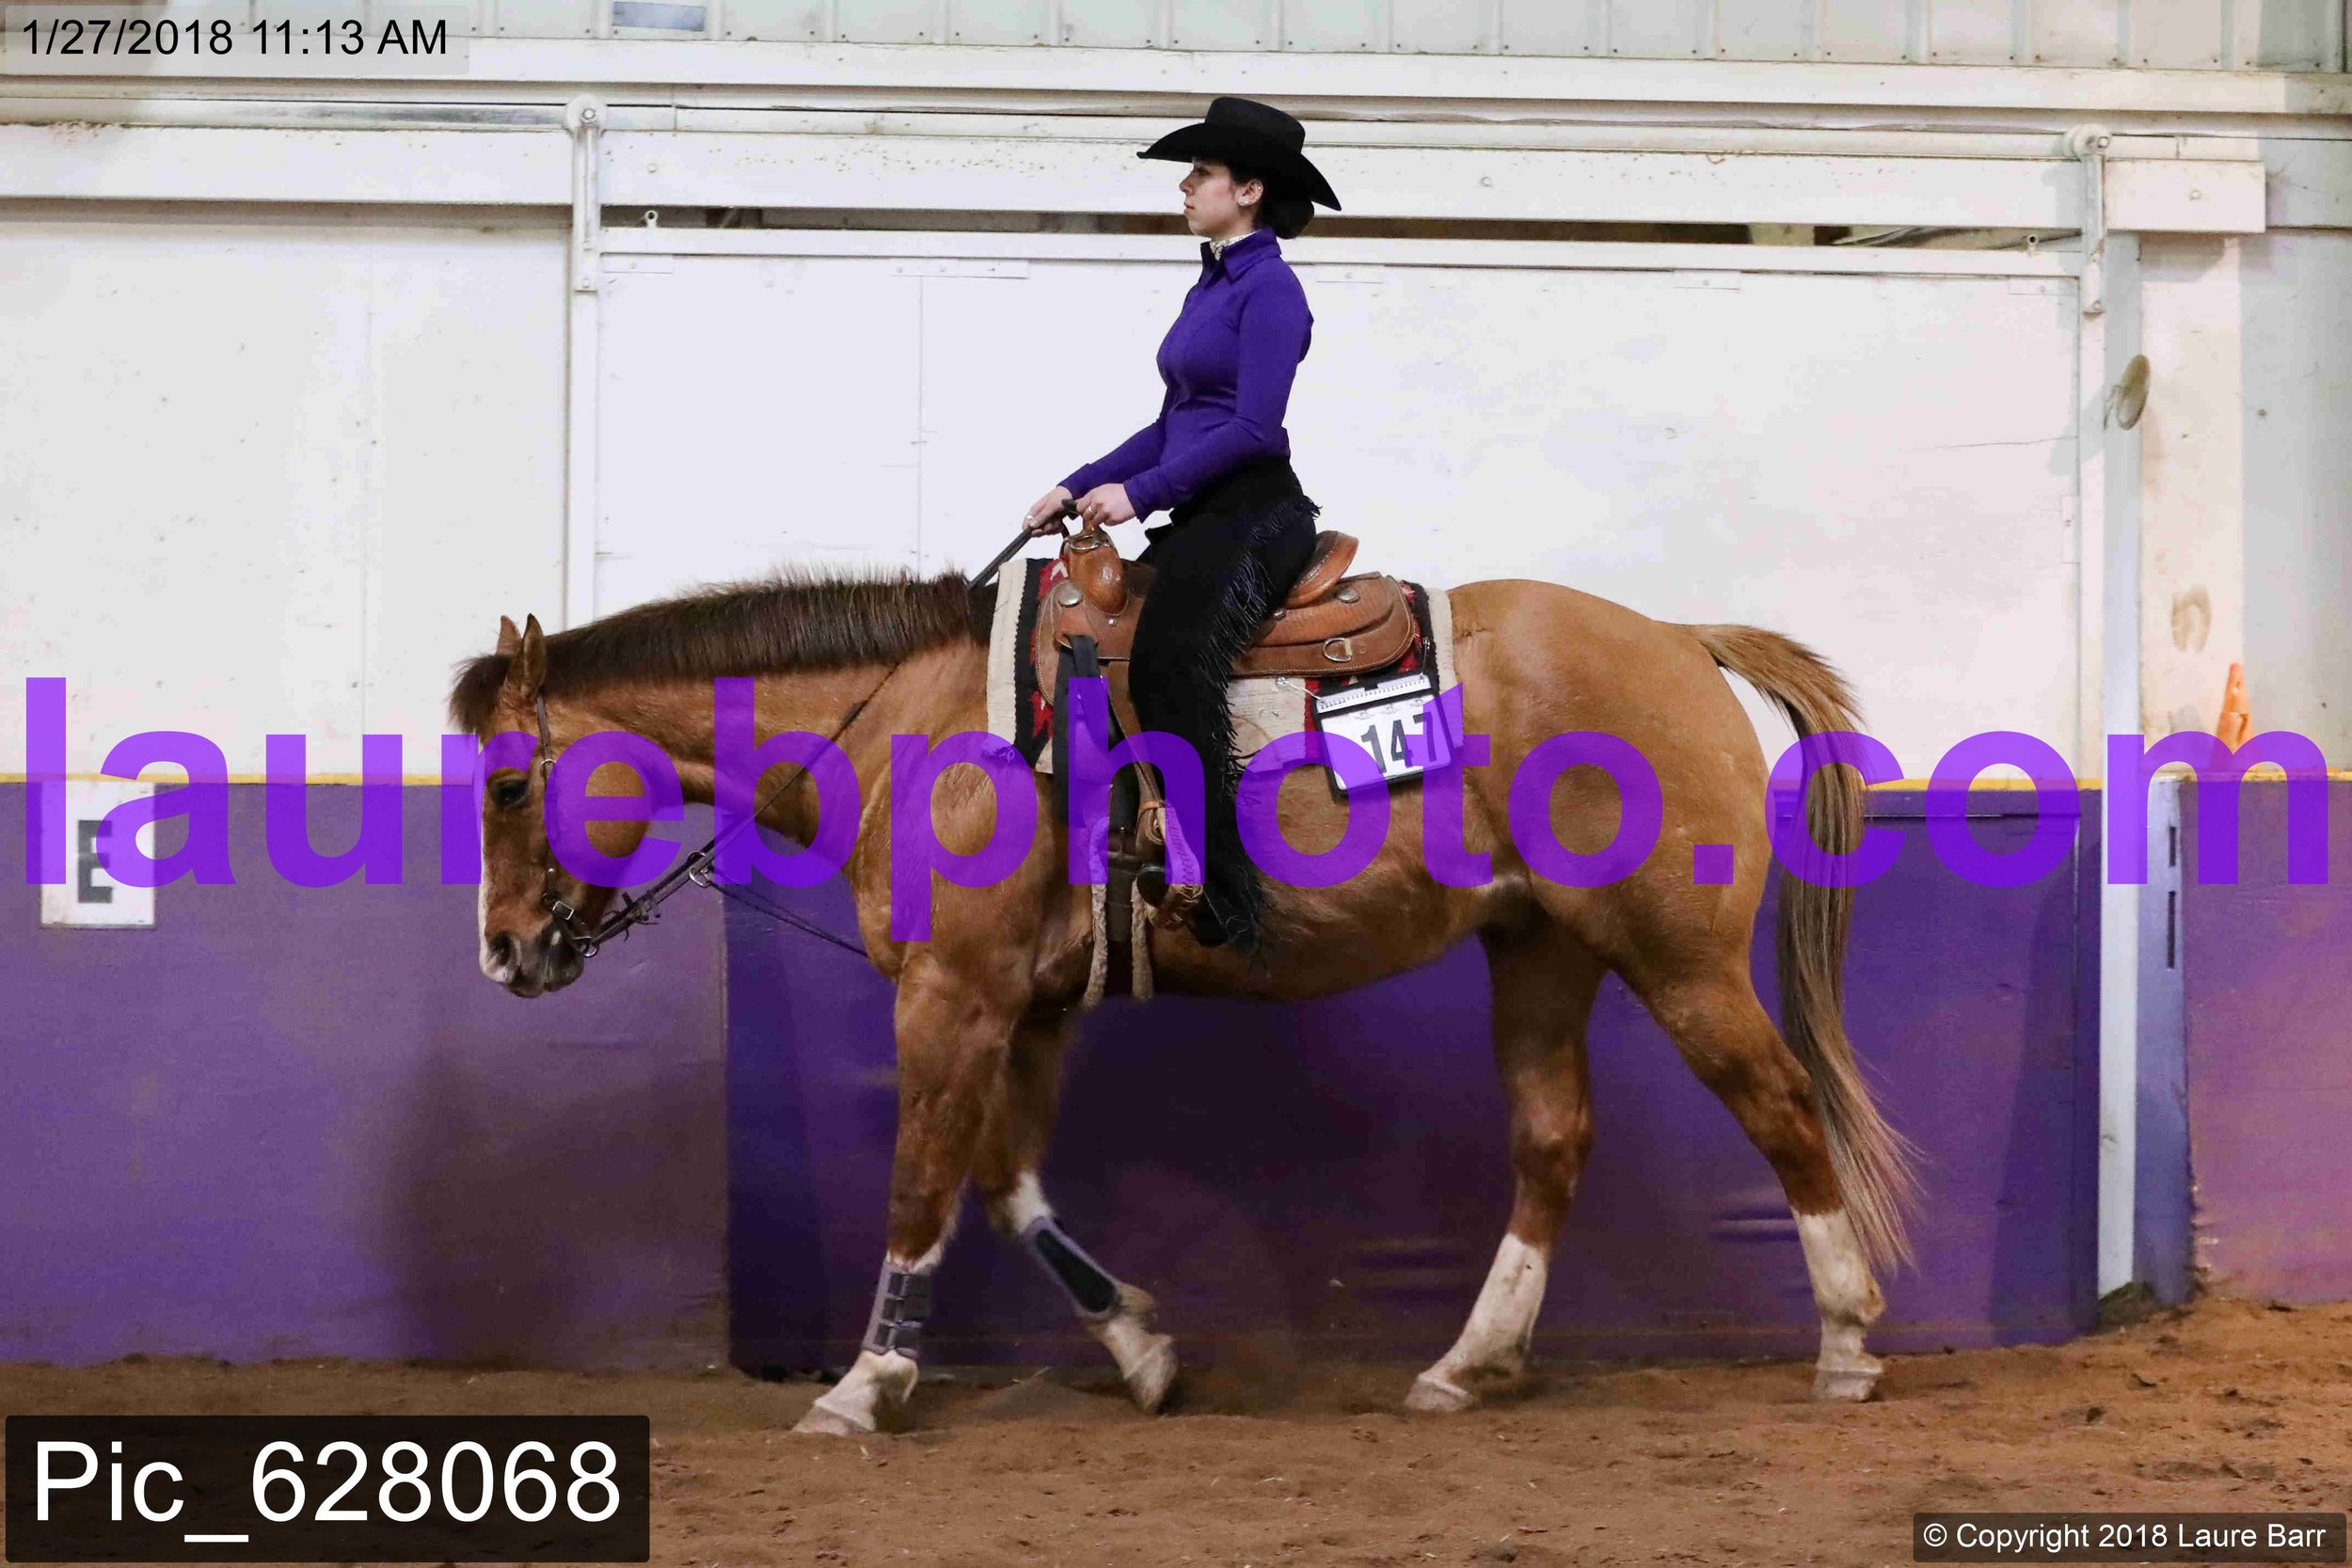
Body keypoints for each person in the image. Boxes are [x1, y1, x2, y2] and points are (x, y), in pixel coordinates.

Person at [1022, 96, 1343, 956]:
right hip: (1206, 508)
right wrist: (1077, 483)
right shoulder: (1213, 283)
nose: (1186, 185)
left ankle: (1222, 888)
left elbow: (1254, 431)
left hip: (1256, 512)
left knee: (1168, 658)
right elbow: (1175, 423)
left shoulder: (1272, 290)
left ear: (1249, 190)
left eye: (1202, 173)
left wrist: (1143, 493)